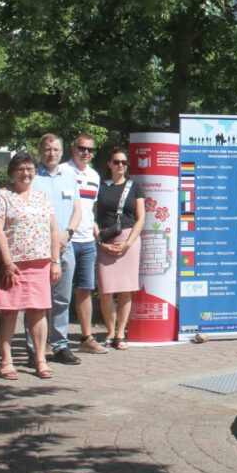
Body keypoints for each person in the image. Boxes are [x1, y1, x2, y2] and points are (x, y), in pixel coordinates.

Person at [0, 152, 60, 380]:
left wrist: (55, 261)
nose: (26, 173)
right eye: (21, 169)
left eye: (29, 169)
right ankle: (6, 361)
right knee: (9, 311)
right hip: (14, 265)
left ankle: (40, 360)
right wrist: (7, 262)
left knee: (39, 312)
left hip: (40, 263)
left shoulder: (42, 197)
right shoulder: (2, 196)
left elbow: (53, 230)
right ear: (12, 173)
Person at [31, 134, 83, 366]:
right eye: (47, 149)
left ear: (62, 151)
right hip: (39, 248)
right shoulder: (31, 176)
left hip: (65, 246)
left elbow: (78, 209)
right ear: (40, 151)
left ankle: (60, 346)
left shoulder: (70, 176)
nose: (52, 153)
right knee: (37, 301)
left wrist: (67, 233)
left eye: (56, 149)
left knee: (62, 299)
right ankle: (34, 349)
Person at [94, 147, 146, 350]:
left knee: (126, 290)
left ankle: (120, 333)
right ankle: (109, 331)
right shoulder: (101, 186)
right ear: (109, 164)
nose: (121, 166)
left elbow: (141, 218)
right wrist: (99, 240)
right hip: (106, 239)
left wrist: (128, 243)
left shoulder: (135, 186)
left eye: (124, 162)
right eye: (116, 162)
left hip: (128, 239)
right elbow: (93, 216)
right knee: (106, 290)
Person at [64, 133, 107, 354]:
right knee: (60, 293)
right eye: (82, 148)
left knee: (85, 290)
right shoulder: (62, 171)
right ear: (73, 149)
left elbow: (91, 209)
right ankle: (56, 340)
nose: (86, 153)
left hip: (88, 241)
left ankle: (86, 337)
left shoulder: (94, 175)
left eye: (90, 150)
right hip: (66, 240)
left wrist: (96, 233)